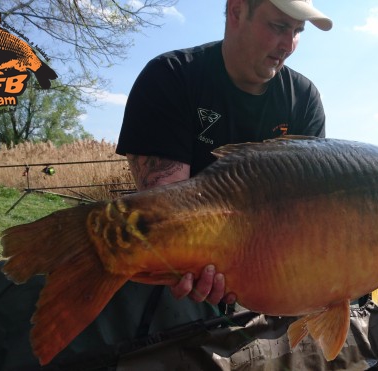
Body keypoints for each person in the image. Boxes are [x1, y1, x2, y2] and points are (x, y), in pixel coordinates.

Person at [115, 0, 332, 328]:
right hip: (190, 272)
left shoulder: (304, 100)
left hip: (271, 272)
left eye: (298, 31)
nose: (289, 44)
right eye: (278, 26)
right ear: (236, 11)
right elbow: (168, 218)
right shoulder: (172, 76)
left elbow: (308, 217)